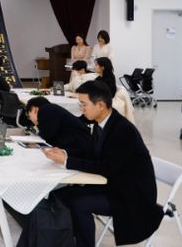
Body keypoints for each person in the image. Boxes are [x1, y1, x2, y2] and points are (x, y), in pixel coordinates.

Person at [44, 81, 163, 247]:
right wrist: (65, 154)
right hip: (114, 184)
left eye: (84, 104)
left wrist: (67, 161)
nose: (81, 109)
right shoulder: (103, 123)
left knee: (79, 204)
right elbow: (92, 154)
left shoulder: (123, 130)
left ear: (100, 105)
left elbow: (106, 168)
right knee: (59, 195)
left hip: (131, 195)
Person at [24, 96, 92, 158]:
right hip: (79, 146)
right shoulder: (52, 110)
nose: (30, 119)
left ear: (34, 109)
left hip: (81, 149)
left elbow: (46, 136)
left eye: (29, 116)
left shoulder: (46, 109)